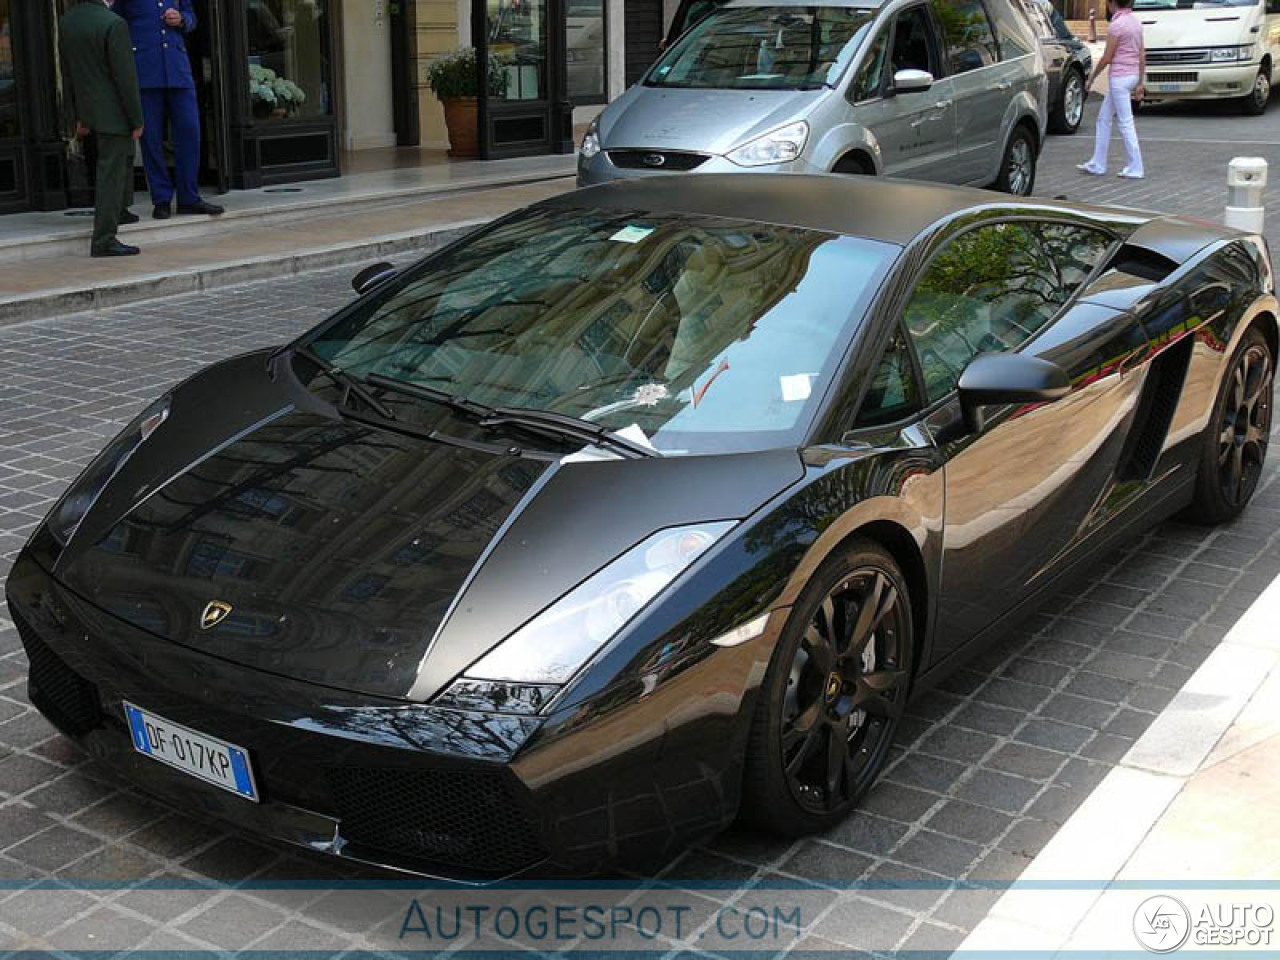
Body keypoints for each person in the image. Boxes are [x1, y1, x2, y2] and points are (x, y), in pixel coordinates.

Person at [114, 0, 224, 219]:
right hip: (145, 68)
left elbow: (191, 15)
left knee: (190, 132)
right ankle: (161, 199)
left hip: (178, 67)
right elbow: (116, 22)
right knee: (151, 139)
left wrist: (183, 19)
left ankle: (189, 197)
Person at [59, 0, 145, 257]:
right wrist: (136, 119)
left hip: (89, 108)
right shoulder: (114, 23)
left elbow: (67, 73)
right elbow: (125, 77)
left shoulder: (68, 21)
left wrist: (76, 115)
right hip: (114, 111)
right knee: (111, 172)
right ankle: (104, 239)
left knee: (118, 164)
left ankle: (120, 210)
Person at [1077, 0, 1145, 179]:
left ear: (1111, 3)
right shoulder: (1136, 22)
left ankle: (1135, 166)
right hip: (1131, 76)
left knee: (1125, 122)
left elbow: (1107, 57)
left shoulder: (1116, 25)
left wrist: (1091, 78)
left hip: (1119, 78)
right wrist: (1140, 83)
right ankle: (1098, 163)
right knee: (1103, 119)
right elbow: (1142, 54)